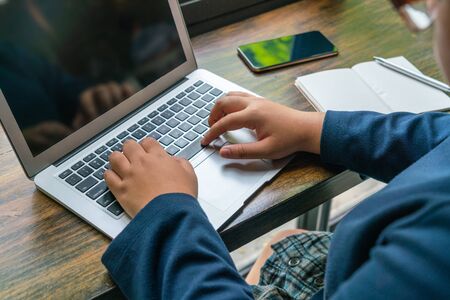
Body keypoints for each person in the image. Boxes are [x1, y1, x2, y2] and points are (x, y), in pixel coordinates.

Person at [101, 0, 450, 299]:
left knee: (280, 245)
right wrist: (314, 128)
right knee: (286, 240)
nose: (428, 8)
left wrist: (165, 215)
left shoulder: (429, 254)